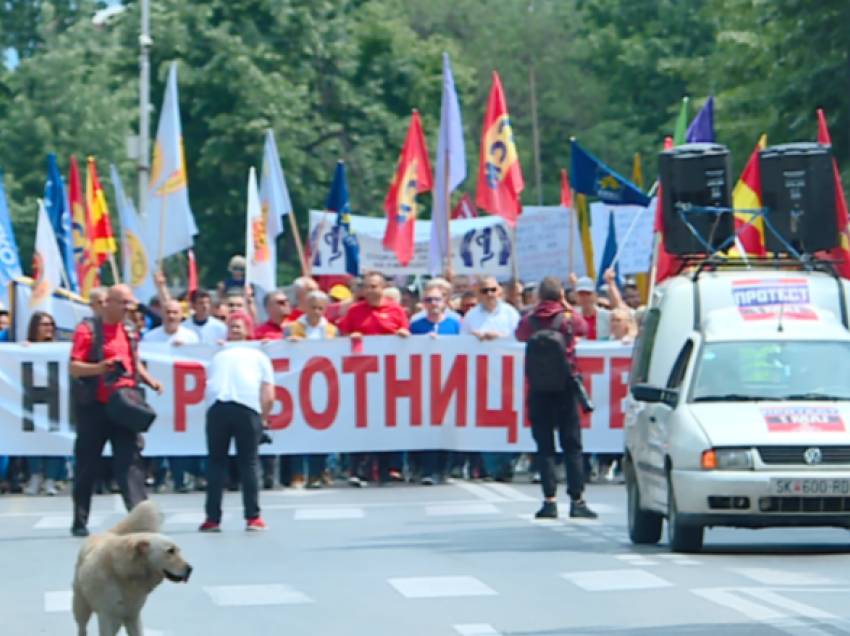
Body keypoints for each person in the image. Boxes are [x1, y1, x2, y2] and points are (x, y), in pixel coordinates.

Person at [68, 284, 164, 537]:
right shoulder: (87, 330)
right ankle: (79, 520)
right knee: (87, 464)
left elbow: (134, 360)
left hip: (124, 406)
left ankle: (139, 516)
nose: (127, 309)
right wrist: (101, 368)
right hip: (94, 407)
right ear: (108, 302)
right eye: (122, 303)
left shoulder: (130, 330)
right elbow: (74, 367)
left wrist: (149, 379)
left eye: (129, 304)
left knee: (130, 462)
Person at [515, 275, 597, 520]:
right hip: (566, 386)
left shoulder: (529, 320)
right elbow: (584, 328)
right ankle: (577, 500)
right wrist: (567, 306)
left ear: (539, 296)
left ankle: (549, 500)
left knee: (545, 446)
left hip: (538, 388)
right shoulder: (568, 318)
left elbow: (519, 335)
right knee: (572, 445)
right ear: (561, 295)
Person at [200, 311, 273, 532]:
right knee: (248, 462)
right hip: (245, 409)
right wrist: (263, 419)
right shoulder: (258, 356)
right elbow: (269, 394)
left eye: (238, 326)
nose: (235, 329)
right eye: (232, 326)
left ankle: (213, 518)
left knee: (216, 463)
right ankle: (252, 517)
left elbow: (269, 394)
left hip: (219, 409)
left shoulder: (219, 355)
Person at [338, 271, 410, 486]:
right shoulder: (354, 311)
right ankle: (359, 469)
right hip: (362, 378)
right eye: (368, 286)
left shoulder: (396, 310)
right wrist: (350, 338)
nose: (372, 290)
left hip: (390, 378)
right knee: (360, 426)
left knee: (387, 424)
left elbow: (406, 336)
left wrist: (403, 335)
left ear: (382, 288)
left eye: (375, 286)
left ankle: (387, 470)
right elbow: (341, 339)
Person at [460, 277, 521, 481]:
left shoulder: (511, 314)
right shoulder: (470, 317)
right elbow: (459, 345)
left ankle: (506, 464)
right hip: (481, 376)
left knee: (506, 420)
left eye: (493, 290)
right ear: (478, 294)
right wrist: (474, 338)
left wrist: (499, 337)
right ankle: (491, 467)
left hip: (507, 375)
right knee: (484, 422)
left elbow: (520, 341)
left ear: (500, 291)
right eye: (485, 291)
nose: (489, 294)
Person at [285, 290, 337, 488]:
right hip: (298, 385)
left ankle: (316, 473)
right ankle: (297, 473)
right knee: (297, 430)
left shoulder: (332, 330)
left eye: (320, 308)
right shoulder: (293, 328)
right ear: (305, 307)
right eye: (313, 307)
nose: (316, 312)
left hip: (323, 385)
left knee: (320, 432)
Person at [409, 285, 460, 484]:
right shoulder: (416, 325)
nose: (433, 304)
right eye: (429, 300)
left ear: (445, 301)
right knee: (427, 427)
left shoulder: (455, 324)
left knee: (447, 427)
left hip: (450, 381)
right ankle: (427, 469)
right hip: (424, 383)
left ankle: (444, 468)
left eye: (437, 300)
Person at [23, 311, 64, 496]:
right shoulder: (27, 347)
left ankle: (51, 479)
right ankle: (35, 476)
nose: (49, 328)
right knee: (33, 439)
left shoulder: (59, 348)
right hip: (33, 400)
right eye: (44, 325)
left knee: (54, 439)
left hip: (55, 402)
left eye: (51, 325)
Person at [573, 269, 624, 341]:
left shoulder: (608, 316)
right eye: (581, 294)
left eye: (588, 294)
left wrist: (611, 283)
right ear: (576, 296)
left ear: (595, 295)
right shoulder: (572, 317)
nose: (585, 298)